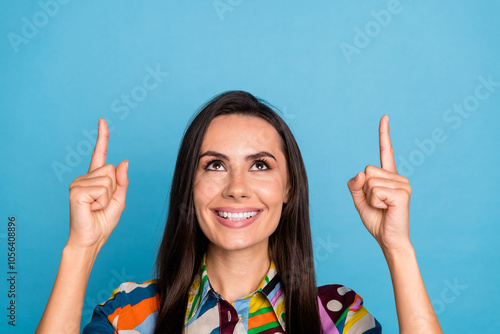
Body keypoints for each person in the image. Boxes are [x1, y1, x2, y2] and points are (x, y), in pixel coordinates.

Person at [36, 91, 443, 333]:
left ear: (289, 189)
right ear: (188, 187)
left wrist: (398, 247)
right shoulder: (134, 312)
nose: (236, 188)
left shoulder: (337, 315)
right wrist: (80, 249)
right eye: (214, 165)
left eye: (260, 165)